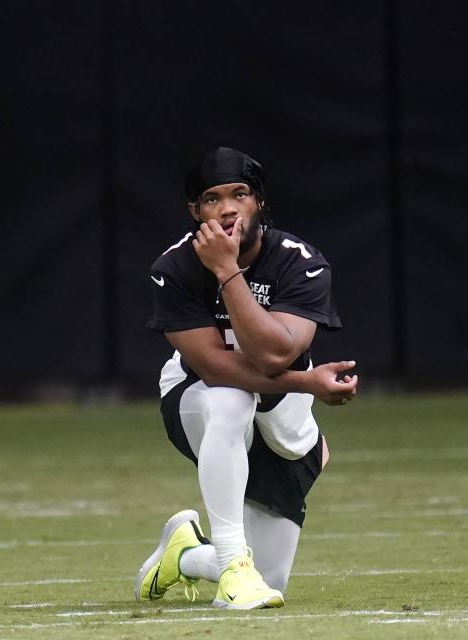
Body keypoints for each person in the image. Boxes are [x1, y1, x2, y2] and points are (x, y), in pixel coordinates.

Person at [134, 147, 358, 610]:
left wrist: (227, 271)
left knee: (271, 579)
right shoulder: (174, 269)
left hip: (282, 420)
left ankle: (189, 554)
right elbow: (216, 369)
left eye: (240, 194)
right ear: (196, 212)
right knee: (231, 398)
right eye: (212, 199)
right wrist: (309, 382)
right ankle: (234, 563)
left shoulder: (301, 262)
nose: (228, 207)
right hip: (198, 397)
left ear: (259, 202)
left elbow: (275, 353)